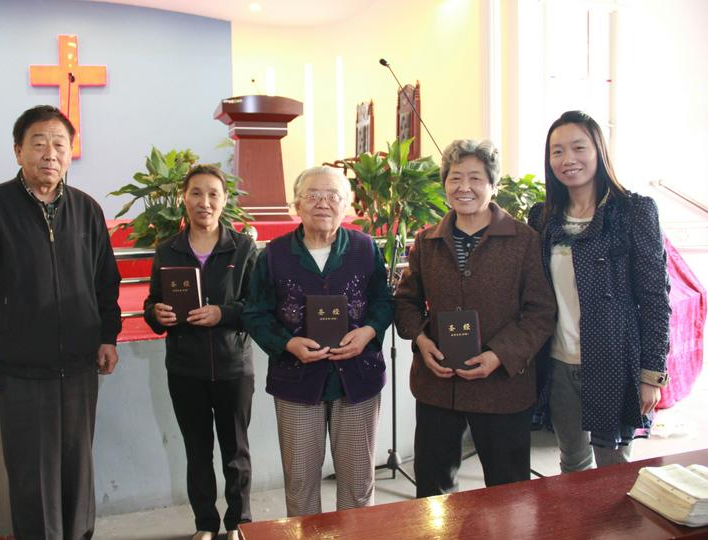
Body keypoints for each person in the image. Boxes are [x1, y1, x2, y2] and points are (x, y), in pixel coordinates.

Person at [0, 105, 122, 539]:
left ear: (70, 152)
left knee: (78, 476)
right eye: (38, 143)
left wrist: (107, 336)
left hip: (79, 368)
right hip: (20, 370)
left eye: (60, 144)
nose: (50, 153)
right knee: (31, 480)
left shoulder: (87, 210)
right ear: (18, 150)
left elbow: (106, 283)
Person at [395, 139, 556, 497]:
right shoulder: (426, 241)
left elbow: (541, 311)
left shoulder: (524, 240)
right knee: (432, 493)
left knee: (508, 492)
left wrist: (499, 354)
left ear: (493, 185)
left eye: (475, 178)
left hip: (502, 387)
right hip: (439, 386)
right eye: (455, 178)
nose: (463, 187)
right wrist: (421, 341)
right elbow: (405, 302)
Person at [242, 166, 393, 516]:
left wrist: (368, 332)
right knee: (300, 485)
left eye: (333, 196)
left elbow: (384, 302)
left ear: (347, 205)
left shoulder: (365, 248)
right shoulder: (273, 255)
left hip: (357, 379)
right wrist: (287, 344)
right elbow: (255, 313)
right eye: (312, 195)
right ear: (297, 204)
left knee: (358, 485)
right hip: (297, 381)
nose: (322, 203)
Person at [528, 110, 670, 472]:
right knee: (572, 464)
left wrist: (651, 375)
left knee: (614, 471)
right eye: (556, 151)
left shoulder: (634, 211)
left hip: (616, 362)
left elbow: (655, 298)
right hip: (560, 363)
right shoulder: (543, 217)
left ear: (598, 151)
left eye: (578, 147)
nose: (567, 159)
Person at [143, 165, 257, 540]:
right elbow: (153, 304)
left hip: (232, 367)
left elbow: (257, 307)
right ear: (184, 198)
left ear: (224, 201)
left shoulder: (241, 248)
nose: (203, 202)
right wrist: (156, 314)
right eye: (196, 193)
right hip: (185, 369)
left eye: (212, 194)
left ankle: (240, 523)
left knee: (235, 453)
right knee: (197, 452)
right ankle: (205, 525)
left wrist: (221, 313)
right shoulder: (168, 250)